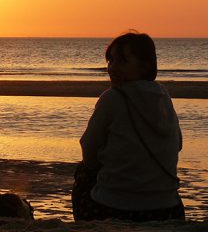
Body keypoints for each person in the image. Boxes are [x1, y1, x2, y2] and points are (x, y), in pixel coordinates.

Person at [72, 31, 185, 221]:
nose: (113, 68)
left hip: (113, 207)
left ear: (144, 66)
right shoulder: (164, 96)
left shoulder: (112, 98)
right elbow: (178, 144)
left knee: (82, 173)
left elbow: (88, 148)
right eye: (111, 61)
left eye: (122, 62)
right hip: (168, 208)